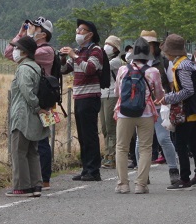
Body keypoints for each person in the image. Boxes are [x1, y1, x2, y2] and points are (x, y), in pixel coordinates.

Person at [9, 17, 58, 189]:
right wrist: (22, 34)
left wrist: (27, 39)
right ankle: (37, 183)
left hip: (35, 107)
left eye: (35, 28)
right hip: (37, 106)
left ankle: (34, 182)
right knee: (33, 148)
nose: (32, 29)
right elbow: (10, 52)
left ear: (43, 33)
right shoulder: (31, 59)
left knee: (32, 145)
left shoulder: (45, 52)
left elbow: (25, 53)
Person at [113, 38, 166, 194]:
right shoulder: (153, 71)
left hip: (124, 113)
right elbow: (159, 94)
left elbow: (117, 92)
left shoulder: (123, 70)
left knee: (121, 147)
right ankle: (140, 185)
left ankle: (123, 184)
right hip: (146, 113)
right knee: (145, 148)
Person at [59, 18, 107, 181]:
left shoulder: (96, 50)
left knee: (90, 134)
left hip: (90, 96)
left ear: (90, 34)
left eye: (81, 30)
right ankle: (86, 168)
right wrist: (64, 57)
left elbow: (90, 69)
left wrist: (74, 54)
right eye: (77, 30)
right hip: (79, 96)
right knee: (82, 135)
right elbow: (65, 70)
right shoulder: (79, 51)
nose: (78, 32)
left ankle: (94, 171)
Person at [162, 33, 196, 189]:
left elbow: (188, 90)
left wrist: (168, 98)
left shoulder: (181, 66)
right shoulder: (189, 63)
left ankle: (185, 178)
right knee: (193, 142)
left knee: (181, 144)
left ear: (171, 52)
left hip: (186, 110)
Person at [6, 36, 47, 197]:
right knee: (32, 151)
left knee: (18, 151)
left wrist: (36, 106)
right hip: (34, 117)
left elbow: (27, 92)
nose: (14, 51)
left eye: (17, 48)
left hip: (22, 115)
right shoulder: (36, 67)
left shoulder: (23, 69)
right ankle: (36, 184)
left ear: (24, 52)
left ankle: (22, 186)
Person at [141, 30, 181, 181]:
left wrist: (169, 101)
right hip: (141, 107)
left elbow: (172, 84)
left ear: (154, 46)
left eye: (149, 44)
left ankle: (173, 169)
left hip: (160, 106)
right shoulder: (134, 63)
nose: (146, 47)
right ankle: (143, 174)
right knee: (141, 141)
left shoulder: (164, 61)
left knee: (163, 138)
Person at [99, 35, 124, 169]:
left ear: (115, 49)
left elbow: (101, 66)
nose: (107, 46)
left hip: (111, 95)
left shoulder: (116, 61)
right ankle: (107, 153)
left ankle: (112, 155)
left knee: (110, 127)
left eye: (110, 45)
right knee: (104, 127)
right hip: (102, 94)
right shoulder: (107, 60)